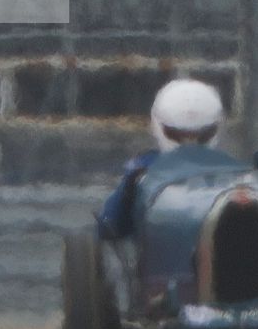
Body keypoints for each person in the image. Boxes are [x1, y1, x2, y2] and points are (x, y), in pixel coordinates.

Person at [97, 79, 226, 239]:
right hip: (155, 255)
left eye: (200, 136)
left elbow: (106, 225)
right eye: (179, 135)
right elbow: (110, 224)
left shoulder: (234, 174)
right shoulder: (141, 172)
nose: (189, 144)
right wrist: (129, 192)